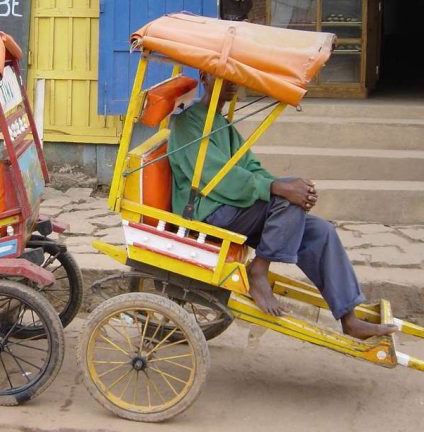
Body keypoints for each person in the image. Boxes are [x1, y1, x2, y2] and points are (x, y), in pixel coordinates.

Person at [167, 71, 397, 339]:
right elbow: (216, 177)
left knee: (321, 231)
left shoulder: (219, 121)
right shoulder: (187, 124)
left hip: (232, 207)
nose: (232, 84)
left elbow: (249, 165)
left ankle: (349, 317)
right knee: (287, 200)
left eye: (234, 78)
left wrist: (282, 185)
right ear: (204, 77)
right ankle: (258, 271)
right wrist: (278, 189)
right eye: (222, 77)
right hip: (208, 211)